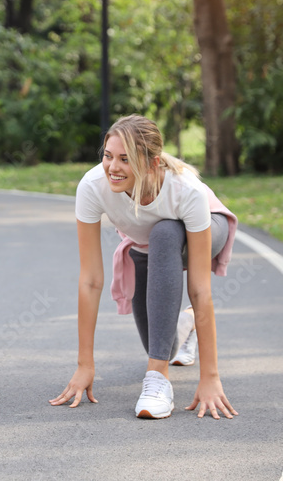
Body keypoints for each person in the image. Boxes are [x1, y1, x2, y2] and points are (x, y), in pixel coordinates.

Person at [50, 114, 239, 419]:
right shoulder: (92, 185)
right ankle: (183, 326)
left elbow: (200, 289)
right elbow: (90, 280)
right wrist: (85, 364)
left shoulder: (185, 191)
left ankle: (156, 382)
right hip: (145, 247)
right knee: (163, 343)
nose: (113, 167)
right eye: (108, 156)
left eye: (125, 159)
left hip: (206, 231)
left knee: (165, 232)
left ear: (151, 163)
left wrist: (210, 378)